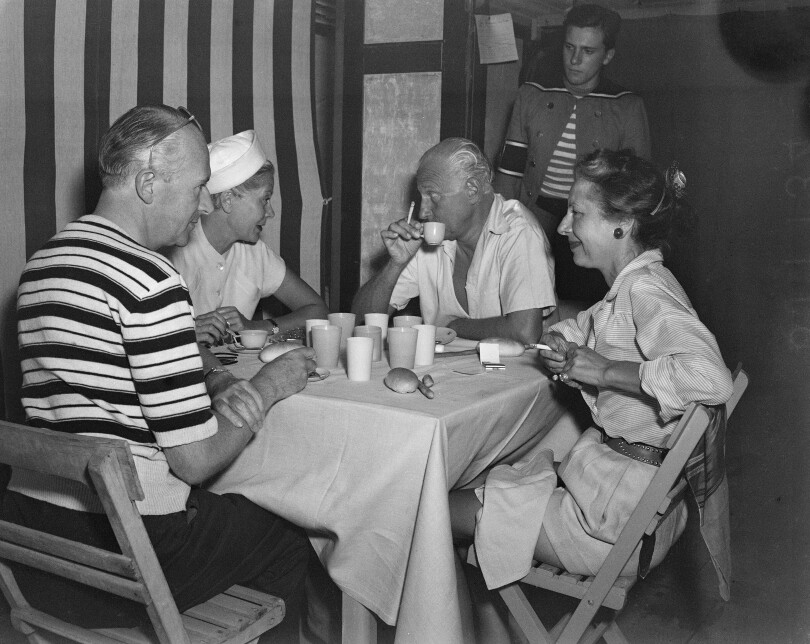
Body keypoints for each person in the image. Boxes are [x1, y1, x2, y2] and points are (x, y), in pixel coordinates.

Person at [4, 105, 317, 637]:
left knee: (224, 510)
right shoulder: (152, 280)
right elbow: (195, 463)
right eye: (197, 188)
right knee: (289, 529)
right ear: (148, 181)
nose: (203, 204)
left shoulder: (41, 266)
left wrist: (212, 378)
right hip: (127, 565)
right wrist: (267, 387)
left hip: (38, 555)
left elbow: (103, 387)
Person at [450, 149, 733, 639]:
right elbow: (583, 328)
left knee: (440, 507)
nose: (562, 227)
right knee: (492, 486)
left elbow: (711, 377)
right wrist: (567, 345)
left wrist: (607, 372)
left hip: (607, 525)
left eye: (577, 214)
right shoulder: (628, 290)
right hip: (634, 507)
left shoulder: (647, 291)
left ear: (621, 226)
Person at [493, 3, 650, 306]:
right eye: (569, 47)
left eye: (588, 52)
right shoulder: (531, 94)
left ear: (607, 55)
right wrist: (498, 232)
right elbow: (509, 173)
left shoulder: (626, 106)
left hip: (592, 226)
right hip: (533, 215)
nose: (575, 60)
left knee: (582, 309)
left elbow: (637, 191)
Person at [352, 137, 557, 345]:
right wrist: (395, 265)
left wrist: (454, 326)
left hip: (515, 373)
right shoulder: (431, 239)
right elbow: (361, 323)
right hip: (449, 372)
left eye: (433, 196)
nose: (423, 212)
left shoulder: (518, 231)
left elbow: (524, 331)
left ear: (472, 190)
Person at [169, 130, 328, 347]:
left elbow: (318, 312)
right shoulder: (172, 252)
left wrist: (257, 327)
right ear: (227, 200)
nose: (271, 212)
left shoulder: (255, 253)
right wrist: (186, 334)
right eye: (265, 199)